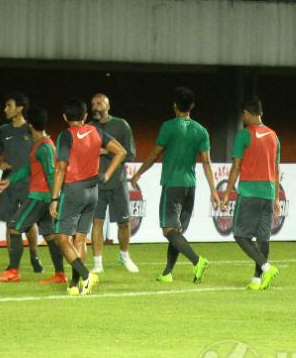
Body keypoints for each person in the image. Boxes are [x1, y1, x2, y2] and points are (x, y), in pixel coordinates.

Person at [131, 87, 219, 284]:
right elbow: (206, 162)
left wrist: (139, 172)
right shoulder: (201, 130)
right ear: (192, 106)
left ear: (174, 106)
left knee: (168, 230)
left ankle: (197, 261)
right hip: (190, 186)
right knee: (176, 232)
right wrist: (213, 191)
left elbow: (155, 154)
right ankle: (167, 272)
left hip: (173, 185)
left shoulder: (168, 127)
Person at [49, 98, 127, 296]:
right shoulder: (96, 131)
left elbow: (60, 168)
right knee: (81, 238)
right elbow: (121, 151)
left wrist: (54, 198)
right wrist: (107, 175)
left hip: (73, 190)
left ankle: (85, 275)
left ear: (65, 117)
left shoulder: (65, 136)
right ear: (85, 116)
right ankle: (75, 285)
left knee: (61, 237)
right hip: (93, 191)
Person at [0, 107, 67, 284]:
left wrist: (54, 199)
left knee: (14, 228)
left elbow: (50, 173)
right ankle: (60, 275)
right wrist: (10, 180)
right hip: (44, 197)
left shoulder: (45, 146)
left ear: (30, 126)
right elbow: (29, 168)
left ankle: (13, 272)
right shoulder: (40, 144)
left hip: (40, 198)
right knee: (49, 236)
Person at [220, 96, 281, 291]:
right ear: (261, 112)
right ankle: (257, 279)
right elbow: (277, 168)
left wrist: (228, 192)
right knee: (263, 238)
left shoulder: (244, 135)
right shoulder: (274, 136)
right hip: (269, 193)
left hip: (249, 191)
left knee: (240, 235)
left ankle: (265, 267)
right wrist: (277, 197)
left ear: (246, 113)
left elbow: (236, 166)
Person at [0, 93, 45, 273]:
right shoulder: (2, 131)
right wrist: (0, 163)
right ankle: (12, 263)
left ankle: (34, 255)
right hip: (8, 184)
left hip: (29, 185)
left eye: (8, 105)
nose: (5, 109)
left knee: (30, 223)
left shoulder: (31, 130)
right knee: (10, 223)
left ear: (20, 108)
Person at [89, 93, 140, 274]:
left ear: (108, 106)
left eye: (100, 103)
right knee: (97, 221)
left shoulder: (121, 125)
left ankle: (124, 256)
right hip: (96, 183)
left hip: (118, 182)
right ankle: (97, 263)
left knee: (124, 222)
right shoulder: (88, 128)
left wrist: (106, 151)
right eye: (93, 104)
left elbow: (130, 153)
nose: (95, 107)